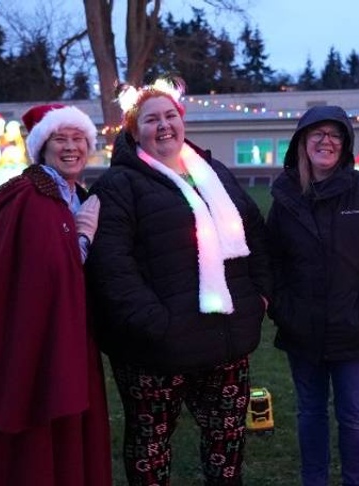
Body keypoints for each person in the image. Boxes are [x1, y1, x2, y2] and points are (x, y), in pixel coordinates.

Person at [86, 76, 272, 485]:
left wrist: (259, 296)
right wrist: (156, 324)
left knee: (227, 446)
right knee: (150, 450)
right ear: (134, 132)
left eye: (171, 115)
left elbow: (254, 231)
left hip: (226, 341)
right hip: (156, 351)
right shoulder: (119, 185)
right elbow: (111, 265)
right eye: (152, 119)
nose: (164, 125)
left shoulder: (213, 172)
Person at [0, 104, 112, 486]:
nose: (71, 147)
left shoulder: (68, 193)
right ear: (42, 147)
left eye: (79, 139)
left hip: (63, 333)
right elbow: (46, 273)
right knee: (29, 428)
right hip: (28, 340)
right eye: (60, 139)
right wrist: (82, 237)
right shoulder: (32, 197)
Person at [266, 105, 359, 486]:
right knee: (310, 412)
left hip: (355, 328)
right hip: (302, 329)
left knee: (354, 416)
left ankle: (358, 481)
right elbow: (271, 259)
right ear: (302, 142)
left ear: (344, 144)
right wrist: (283, 309)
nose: (326, 141)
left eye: (335, 134)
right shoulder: (286, 199)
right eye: (317, 134)